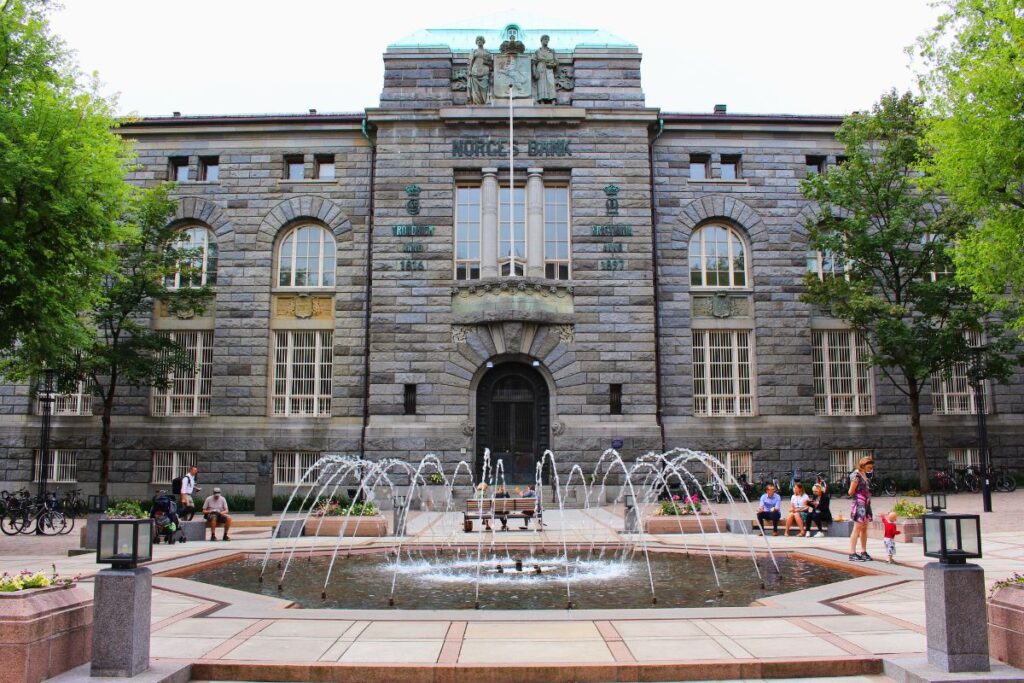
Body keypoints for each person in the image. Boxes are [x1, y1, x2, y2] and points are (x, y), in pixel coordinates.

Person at [848, 456, 874, 561]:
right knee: (857, 528)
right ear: (863, 465)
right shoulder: (856, 475)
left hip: (866, 503)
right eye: (869, 467)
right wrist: (859, 497)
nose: (870, 469)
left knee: (864, 528)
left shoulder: (863, 474)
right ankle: (852, 553)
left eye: (871, 467)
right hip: (860, 503)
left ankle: (863, 551)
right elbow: (850, 492)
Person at [532, 34, 557, 103]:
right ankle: (541, 99)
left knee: (551, 83)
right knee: (541, 84)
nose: (546, 41)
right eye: (545, 39)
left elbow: (556, 61)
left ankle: (553, 99)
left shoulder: (551, 51)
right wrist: (534, 71)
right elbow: (533, 61)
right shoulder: (537, 51)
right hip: (540, 67)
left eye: (547, 39)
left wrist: (553, 65)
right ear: (541, 41)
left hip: (549, 68)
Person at [468, 35, 492, 105]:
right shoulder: (473, 51)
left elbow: (491, 63)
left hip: (484, 71)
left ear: (483, 42)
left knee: (484, 88)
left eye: (480, 40)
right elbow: (470, 62)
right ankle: (477, 103)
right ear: (476, 42)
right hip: (475, 71)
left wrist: (486, 62)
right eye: (478, 40)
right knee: (476, 90)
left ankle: (485, 102)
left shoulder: (487, 52)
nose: (479, 41)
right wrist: (469, 70)